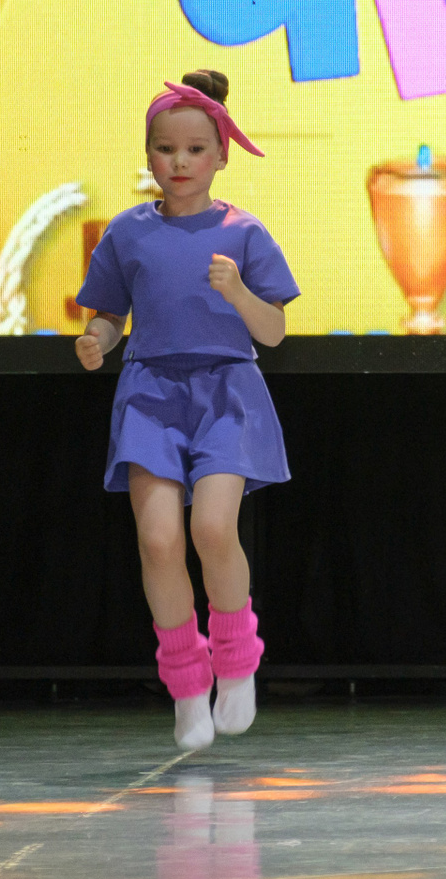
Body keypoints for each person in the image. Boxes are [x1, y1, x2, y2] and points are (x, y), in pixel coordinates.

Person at [75, 70, 297, 751]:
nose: (180, 162)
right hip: (150, 395)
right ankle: (185, 682)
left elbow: (273, 332)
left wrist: (239, 294)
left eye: (196, 149)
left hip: (226, 393)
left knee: (212, 528)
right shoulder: (127, 232)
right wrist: (98, 339)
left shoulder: (244, 232)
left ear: (221, 155)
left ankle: (236, 663)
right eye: (165, 149)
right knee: (157, 540)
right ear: (149, 155)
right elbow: (108, 313)